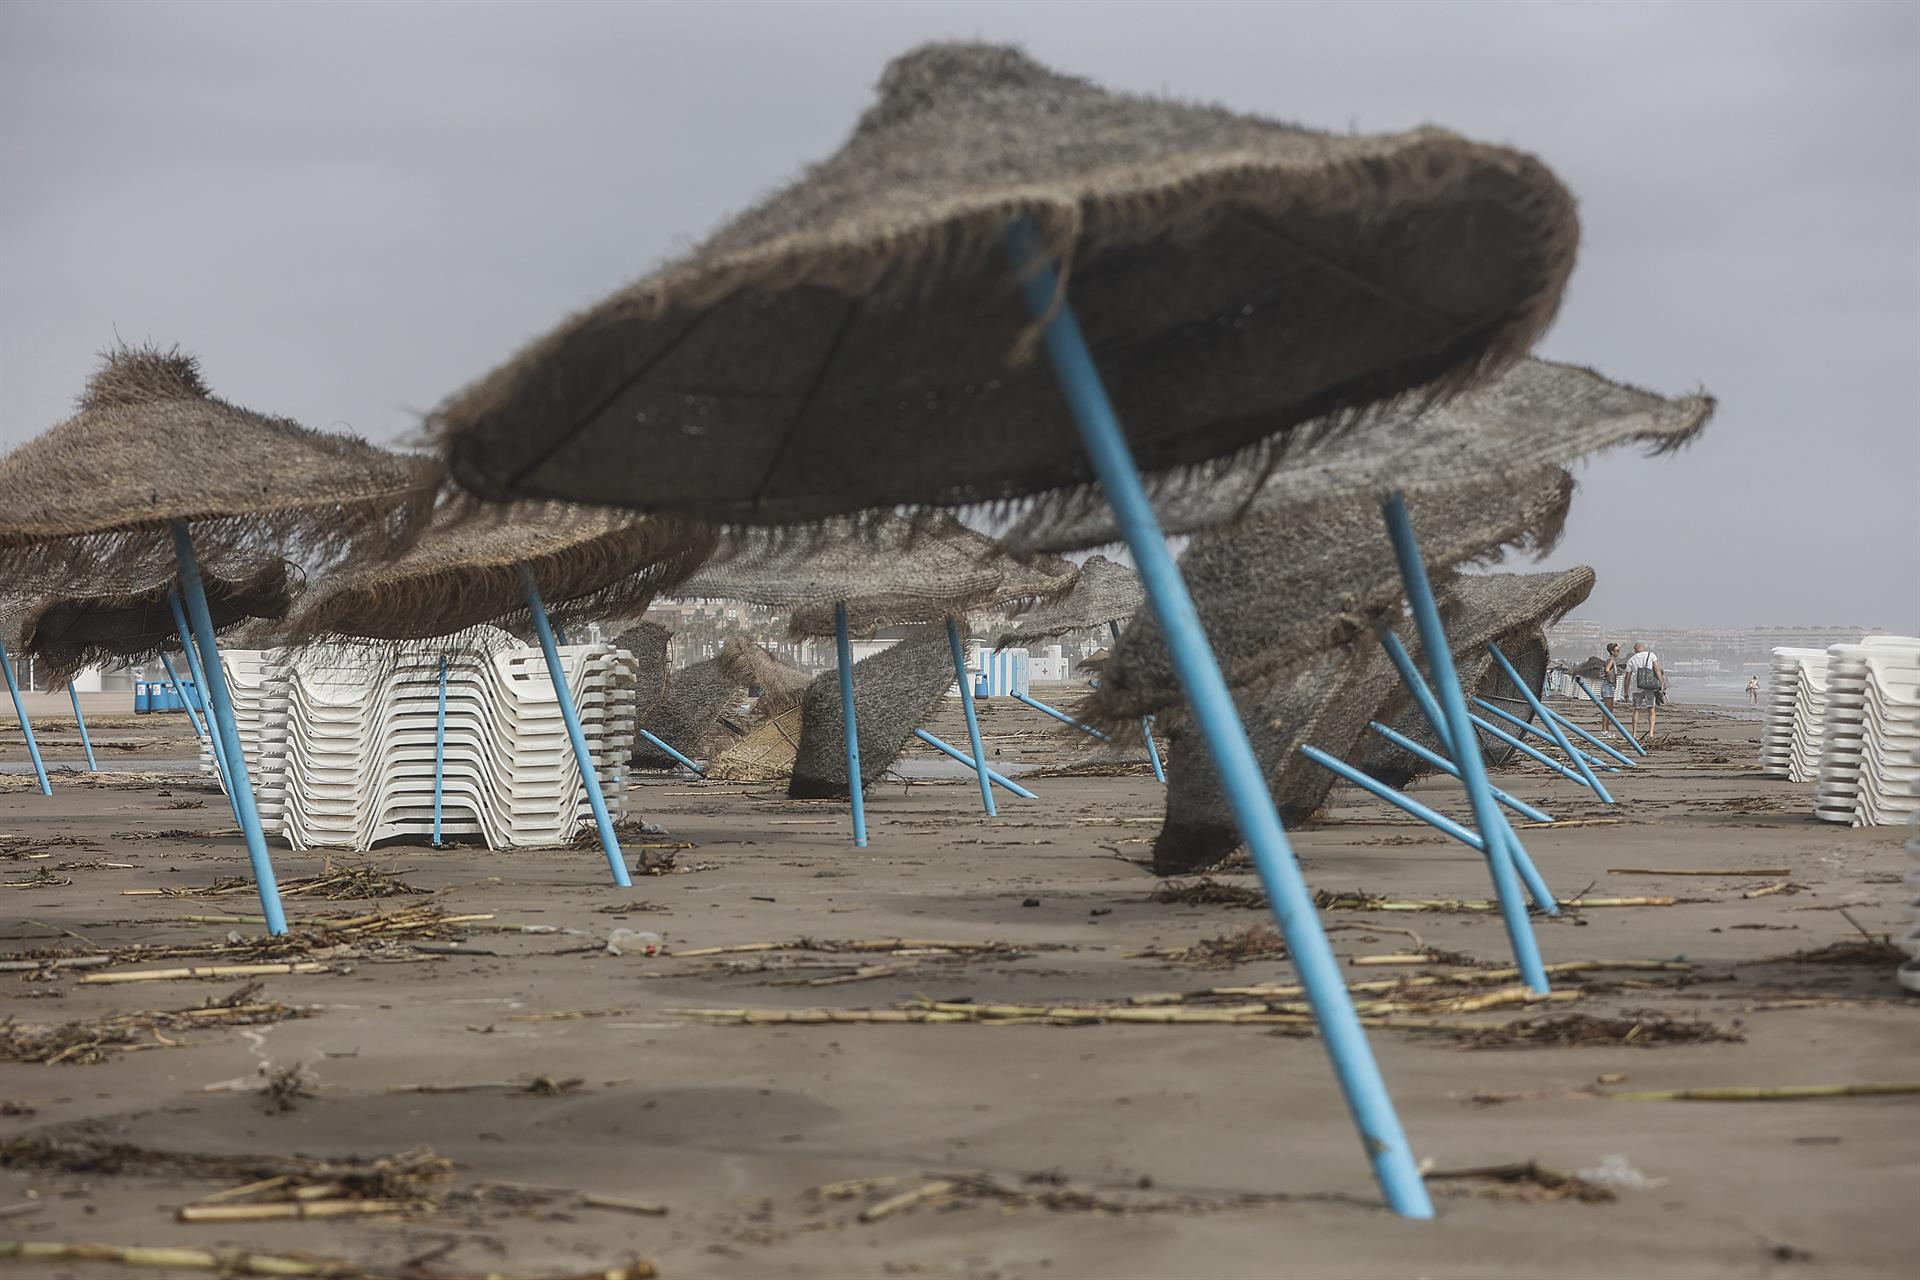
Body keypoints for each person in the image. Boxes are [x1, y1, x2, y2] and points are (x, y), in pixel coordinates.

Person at [1624, 642, 1667, 742]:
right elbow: (1657, 670)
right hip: (1650, 686)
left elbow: (1627, 677)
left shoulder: (1631, 660)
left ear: (1635, 650)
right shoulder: (1651, 655)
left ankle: (1634, 733)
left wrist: (1626, 691)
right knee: (1651, 709)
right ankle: (1651, 733)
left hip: (1637, 687)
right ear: (1643, 648)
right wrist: (1661, 683)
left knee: (1636, 709)